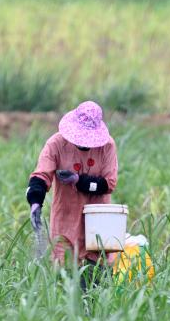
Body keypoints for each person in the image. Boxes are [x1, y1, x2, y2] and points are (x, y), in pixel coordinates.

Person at [26, 101, 119, 267]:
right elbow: (41, 175)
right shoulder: (56, 144)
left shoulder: (107, 146)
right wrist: (35, 202)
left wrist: (79, 180)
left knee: (96, 276)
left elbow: (109, 184)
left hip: (97, 220)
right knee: (64, 272)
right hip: (65, 217)